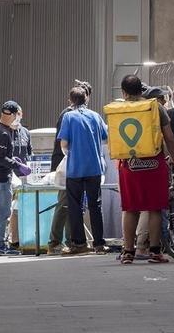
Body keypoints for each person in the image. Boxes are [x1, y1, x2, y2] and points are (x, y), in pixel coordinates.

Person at [116, 75, 174, 265]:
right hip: (154, 162)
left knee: (130, 208)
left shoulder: (118, 109)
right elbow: (169, 136)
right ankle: (154, 252)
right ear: (141, 91)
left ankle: (128, 252)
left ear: (124, 92)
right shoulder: (155, 107)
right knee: (154, 208)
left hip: (129, 164)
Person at [58, 86, 109, 255]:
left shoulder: (68, 117)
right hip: (94, 168)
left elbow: (64, 144)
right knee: (95, 206)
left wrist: (71, 154)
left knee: (75, 206)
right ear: (86, 99)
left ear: (71, 100)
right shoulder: (95, 116)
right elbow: (105, 138)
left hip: (75, 169)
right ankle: (99, 244)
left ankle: (79, 244)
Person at [0, 101, 31, 256]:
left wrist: (12, 159)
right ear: (13, 114)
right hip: (0, 179)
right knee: (2, 213)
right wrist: (17, 165)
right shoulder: (3, 132)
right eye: (18, 115)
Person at [49, 80, 92, 254]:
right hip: (66, 163)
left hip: (77, 163)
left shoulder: (79, 114)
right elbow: (63, 143)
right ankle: (55, 242)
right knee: (65, 203)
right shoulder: (67, 115)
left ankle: (71, 239)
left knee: (73, 204)